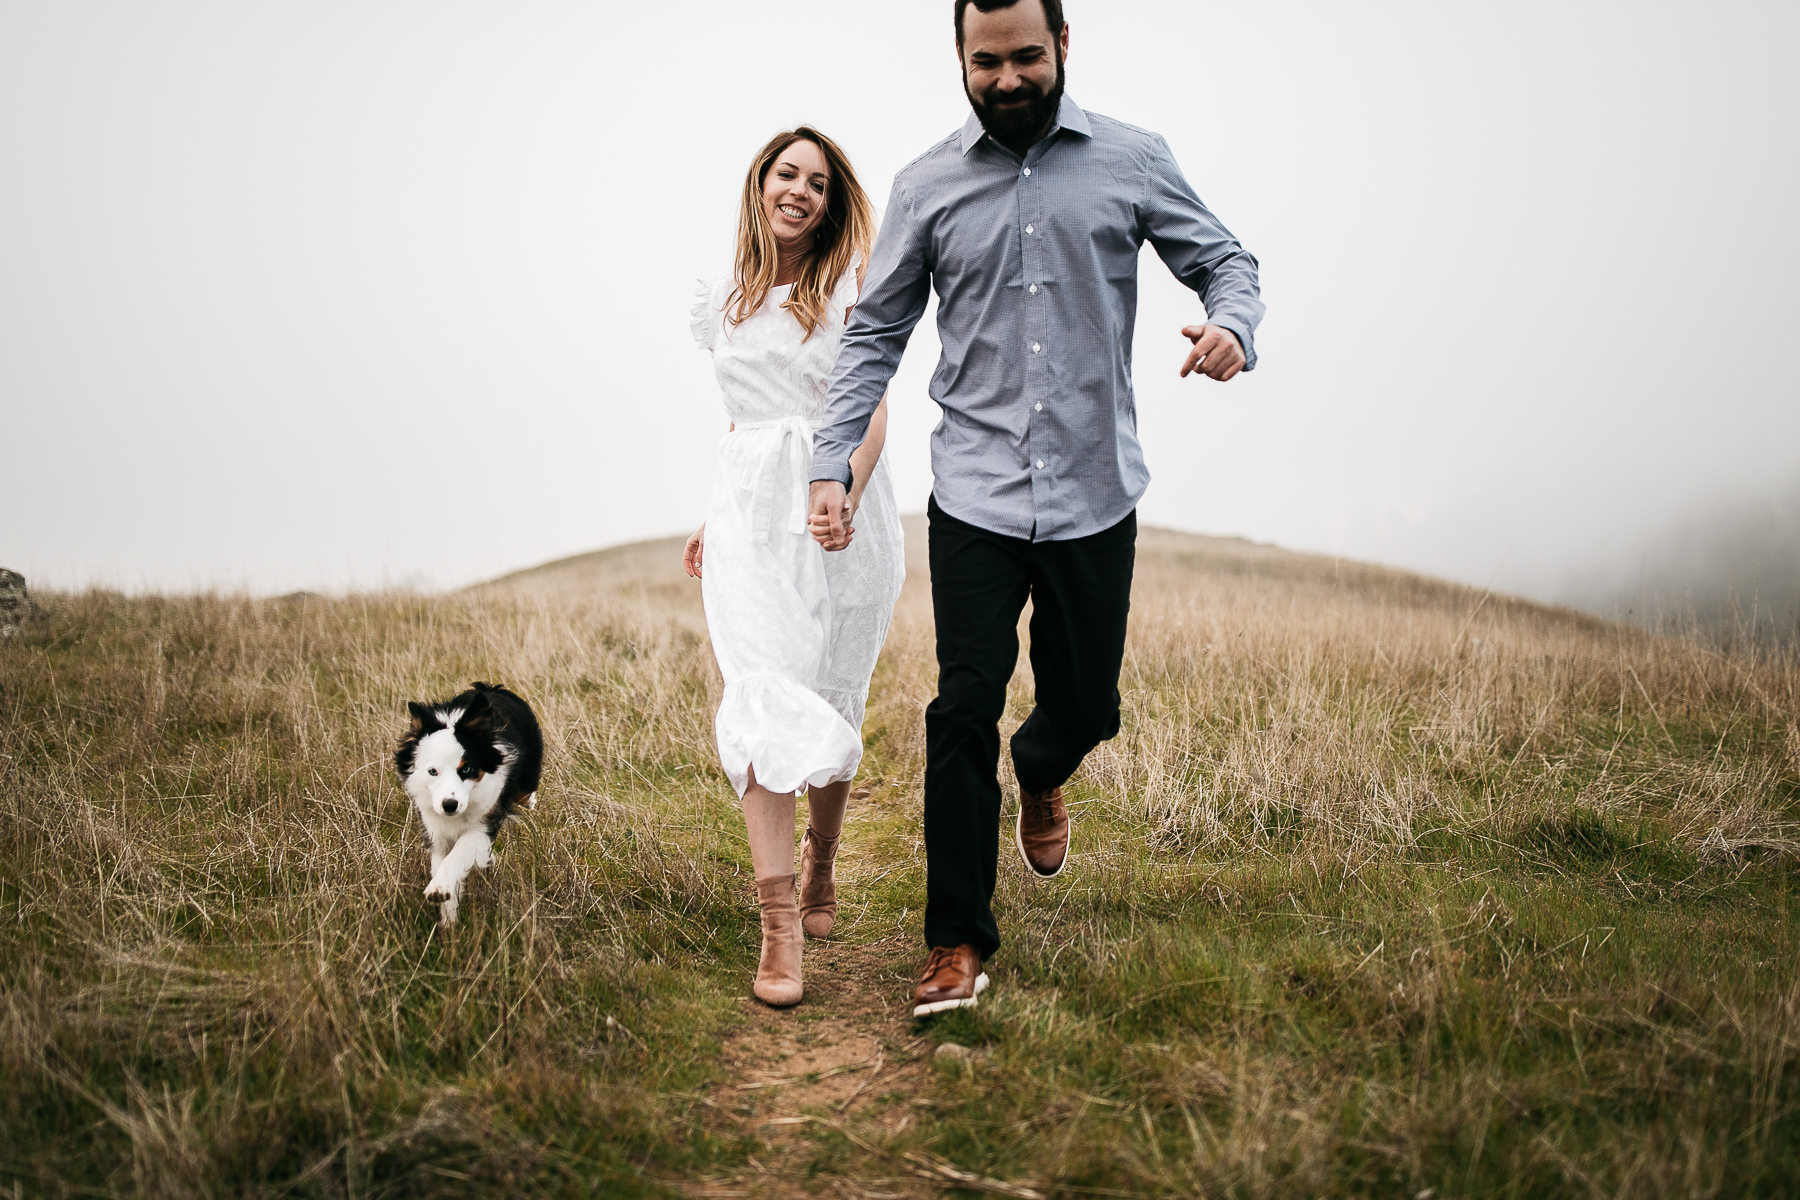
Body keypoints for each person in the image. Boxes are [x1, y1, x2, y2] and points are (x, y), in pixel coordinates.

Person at [806, 0, 1263, 1017]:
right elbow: (873, 336)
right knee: (961, 707)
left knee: (1085, 705)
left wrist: (1231, 325)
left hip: (1097, 494)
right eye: (985, 62)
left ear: (1062, 46)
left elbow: (1227, 261)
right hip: (973, 490)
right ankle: (956, 943)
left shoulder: (1133, 161)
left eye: (1025, 57)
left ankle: (1043, 764)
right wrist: (833, 462)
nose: (1007, 79)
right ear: (960, 61)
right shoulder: (927, 184)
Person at [685, 127, 906, 1008]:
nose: (802, 192)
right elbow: (740, 426)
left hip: (839, 510)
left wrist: (841, 487)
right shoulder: (724, 301)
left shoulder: (852, 287)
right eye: (788, 175)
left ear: (832, 201)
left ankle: (824, 863)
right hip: (748, 516)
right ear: (761, 184)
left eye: (819, 183)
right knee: (764, 692)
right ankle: (779, 922)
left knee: (832, 691)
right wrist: (708, 517)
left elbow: (874, 409)